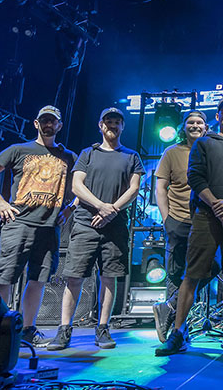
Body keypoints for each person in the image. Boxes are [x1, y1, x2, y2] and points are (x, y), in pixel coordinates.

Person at [156, 97, 223, 356]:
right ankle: (178, 333)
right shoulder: (203, 143)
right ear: (218, 116)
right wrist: (216, 206)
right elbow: (195, 177)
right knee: (193, 274)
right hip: (204, 217)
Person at [0, 105, 77, 347]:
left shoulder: (68, 157)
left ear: (59, 125)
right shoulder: (19, 149)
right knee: (4, 278)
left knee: (38, 279)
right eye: (44, 120)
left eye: (53, 121)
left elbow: (83, 186)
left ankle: (27, 331)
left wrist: (69, 209)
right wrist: (0, 202)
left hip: (49, 227)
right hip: (18, 223)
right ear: (36, 123)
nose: (48, 124)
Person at [48, 107, 144, 351]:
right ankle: (64, 329)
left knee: (109, 277)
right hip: (85, 223)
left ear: (123, 127)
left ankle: (102, 328)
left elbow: (133, 189)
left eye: (117, 122)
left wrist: (111, 211)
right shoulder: (87, 154)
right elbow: (76, 185)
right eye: (108, 121)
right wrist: (102, 206)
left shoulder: (131, 156)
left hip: (115, 226)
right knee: (74, 276)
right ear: (100, 125)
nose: (112, 125)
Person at [151, 111, 220, 343]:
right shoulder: (172, 153)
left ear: (206, 126)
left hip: (205, 220)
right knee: (178, 274)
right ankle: (177, 331)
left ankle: (169, 307)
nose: (195, 125)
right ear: (184, 127)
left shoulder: (211, 151)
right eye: (190, 122)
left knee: (211, 269)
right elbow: (161, 188)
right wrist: (166, 218)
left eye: (199, 122)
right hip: (179, 220)